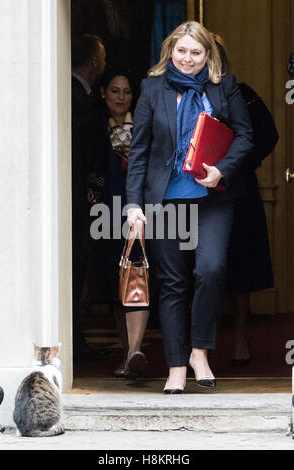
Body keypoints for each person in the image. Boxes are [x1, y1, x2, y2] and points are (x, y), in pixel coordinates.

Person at [125, 21, 254, 393]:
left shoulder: (223, 86)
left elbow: (245, 135)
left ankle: (200, 351)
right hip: (165, 197)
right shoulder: (153, 88)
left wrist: (221, 170)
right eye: (181, 51)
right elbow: (139, 151)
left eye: (196, 52)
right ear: (171, 51)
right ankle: (177, 365)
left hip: (213, 196)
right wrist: (133, 205)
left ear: (207, 55)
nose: (188, 58)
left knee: (210, 270)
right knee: (172, 283)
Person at [213, 34, 277, 365]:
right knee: (202, 269)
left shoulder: (244, 94)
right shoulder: (188, 96)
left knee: (242, 265)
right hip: (198, 192)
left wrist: (240, 162)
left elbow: (269, 134)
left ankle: (240, 337)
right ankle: (200, 344)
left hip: (240, 189)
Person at [97, 68, 150, 378]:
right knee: (115, 283)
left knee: (137, 277)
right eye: (115, 91)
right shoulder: (93, 127)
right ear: (104, 93)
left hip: (139, 209)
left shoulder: (142, 125)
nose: (120, 97)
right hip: (103, 212)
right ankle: (126, 352)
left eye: (127, 92)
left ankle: (135, 351)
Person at [71, 34, 108, 360]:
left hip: (77, 199)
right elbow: (85, 157)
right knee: (75, 267)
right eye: (103, 59)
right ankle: (73, 341)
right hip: (76, 200)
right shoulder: (77, 100)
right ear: (95, 62)